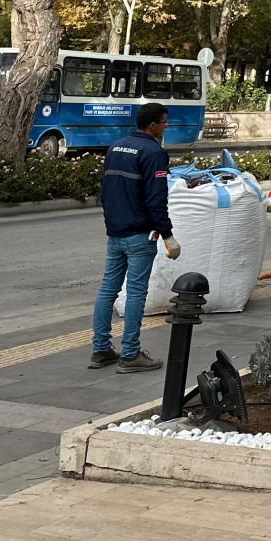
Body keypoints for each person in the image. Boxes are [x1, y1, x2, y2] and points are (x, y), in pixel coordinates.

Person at [89, 103, 179, 374]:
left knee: (108, 290)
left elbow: (106, 191)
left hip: (115, 232)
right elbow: (156, 199)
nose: (166, 127)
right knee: (136, 293)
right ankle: (130, 354)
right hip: (140, 234)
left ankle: (101, 349)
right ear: (152, 125)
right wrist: (168, 235)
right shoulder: (153, 152)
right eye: (164, 123)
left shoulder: (116, 146)